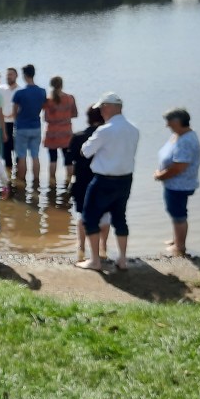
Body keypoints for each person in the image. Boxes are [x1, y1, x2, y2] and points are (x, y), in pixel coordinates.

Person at [76, 92, 140, 271]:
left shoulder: (105, 130)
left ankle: (95, 260)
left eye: (103, 108)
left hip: (104, 179)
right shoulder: (134, 129)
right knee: (120, 218)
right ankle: (122, 259)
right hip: (125, 179)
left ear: (110, 107)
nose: (102, 112)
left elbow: (86, 151)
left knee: (89, 218)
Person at [154, 107, 200, 257]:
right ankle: (176, 240)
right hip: (175, 184)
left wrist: (161, 175)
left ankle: (180, 247)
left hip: (179, 185)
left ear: (177, 121)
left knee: (178, 214)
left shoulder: (186, 140)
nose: (167, 125)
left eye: (169, 122)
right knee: (175, 212)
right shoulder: (179, 135)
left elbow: (179, 166)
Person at [67, 105, 110, 263]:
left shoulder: (78, 137)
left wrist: (72, 178)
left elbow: (69, 163)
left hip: (82, 180)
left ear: (88, 117)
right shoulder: (109, 137)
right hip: (104, 179)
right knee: (105, 216)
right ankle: (103, 247)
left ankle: (81, 247)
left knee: (81, 215)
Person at [12, 64, 46, 186]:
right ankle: (36, 182)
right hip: (36, 126)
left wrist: (17, 121)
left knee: (21, 156)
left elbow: (14, 111)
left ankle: (22, 183)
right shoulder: (42, 91)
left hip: (22, 127)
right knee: (35, 155)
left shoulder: (20, 93)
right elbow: (42, 108)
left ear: (24, 76)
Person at [42, 75, 78, 186]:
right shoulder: (70, 98)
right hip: (66, 133)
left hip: (52, 133)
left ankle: (52, 184)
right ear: (62, 85)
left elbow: (45, 118)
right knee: (68, 160)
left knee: (52, 159)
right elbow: (75, 114)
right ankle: (70, 184)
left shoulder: (48, 100)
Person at [0, 67, 20, 175]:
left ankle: (18, 175)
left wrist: (14, 114)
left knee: (18, 149)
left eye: (11, 74)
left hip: (16, 123)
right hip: (4, 123)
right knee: (6, 151)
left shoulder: (20, 90)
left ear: (16, 76)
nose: (8, 76)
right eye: (7, 74)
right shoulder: (0, 89)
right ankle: (9, 174)